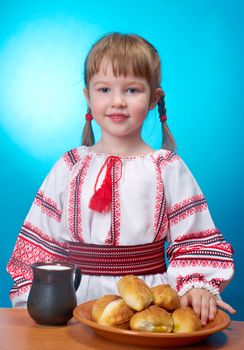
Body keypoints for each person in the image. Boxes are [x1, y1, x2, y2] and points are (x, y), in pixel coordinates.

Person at [7, 32, 236, 326]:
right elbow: (42, 245)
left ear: (154, 98)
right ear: (87, 97)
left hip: (149, 305)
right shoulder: (69, 166)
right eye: (104, 90)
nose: (117, 101)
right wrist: (36, 299)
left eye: (132, 90)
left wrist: (198, 286)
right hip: (75, 305)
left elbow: (194, 240)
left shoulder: (167, 167)